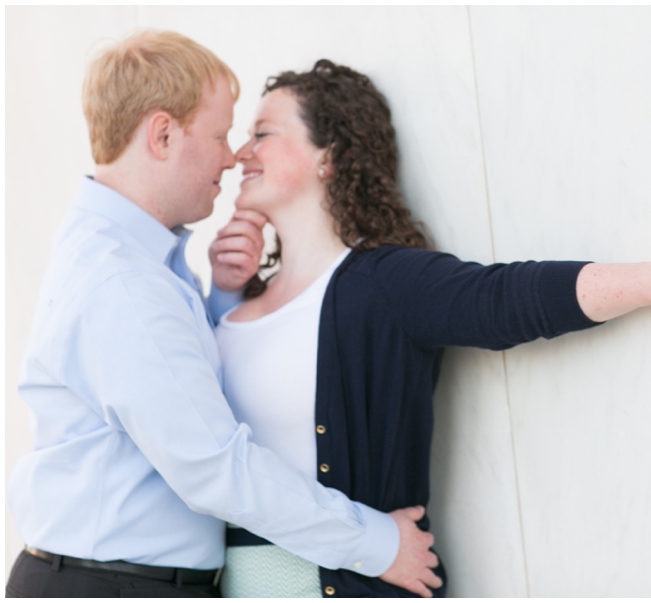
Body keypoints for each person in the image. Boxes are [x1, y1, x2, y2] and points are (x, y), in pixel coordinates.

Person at [208, 59, 651, 597]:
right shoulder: (229, 298)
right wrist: (223, 291)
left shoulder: (380, 283)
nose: (239, 153)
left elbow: (503, 298)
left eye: (262, 133)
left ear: (326, 155)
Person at [5, 32, 441, 598]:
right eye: (219, 134)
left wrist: (220, 302)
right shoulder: (126, 283)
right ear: (162, 135)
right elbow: (215, 470)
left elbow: (164, 390)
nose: (233, 155)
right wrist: (379, 544)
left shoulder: (135, 254)